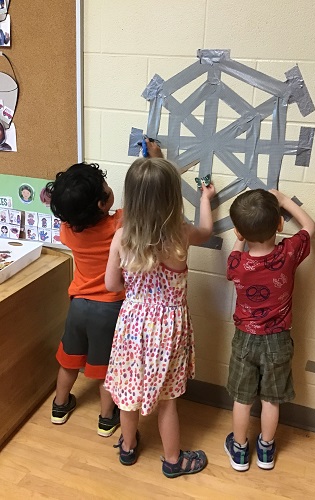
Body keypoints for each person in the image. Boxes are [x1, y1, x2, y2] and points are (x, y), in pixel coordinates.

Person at [104, 140, 216, 477]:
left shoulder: (121, 237)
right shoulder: (180, 235)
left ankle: (127, 447)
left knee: (126, 392)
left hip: (132, 325)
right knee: (167, 400)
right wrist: (206, 199)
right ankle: (172, 461)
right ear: (173, 198)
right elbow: (209, 231)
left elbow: (111, 285)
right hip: (168, 328)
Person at [224, 188, 315, 472]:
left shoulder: (237, 264)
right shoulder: (289, 253)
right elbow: (309, 227)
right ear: (279, 224)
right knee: (271, 399)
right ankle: (265, 449)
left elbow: (233, 260)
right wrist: (286, 201)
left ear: (238, 233)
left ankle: (239, 451)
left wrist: (239, 242)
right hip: (278, 341)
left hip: (245, 340)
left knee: (242, 398)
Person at [45, 163, 125, 437]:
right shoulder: (118, 225)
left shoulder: (69, 229)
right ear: (103, 204)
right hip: (109, 308)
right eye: (105, 188)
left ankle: (59, 405)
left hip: (78, 305)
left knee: (69, 360)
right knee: (105, 367)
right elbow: (144, 206)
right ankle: (105, 418)